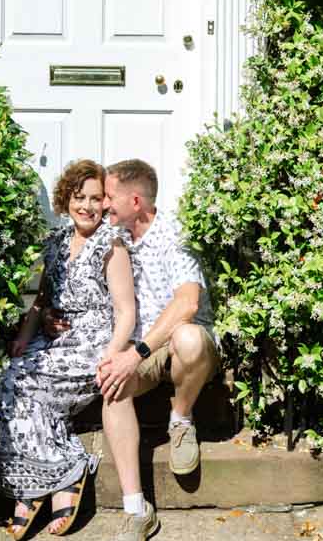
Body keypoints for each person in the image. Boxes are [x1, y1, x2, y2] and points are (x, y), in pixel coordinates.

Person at [0, 159, 136, 539]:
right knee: (6, 380)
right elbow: (40, 302)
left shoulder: (111, 243)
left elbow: (126, 312)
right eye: (79, 197)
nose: (87, 206)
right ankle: (41, 484)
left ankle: (48, 485)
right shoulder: (55, 242)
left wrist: (113, 354)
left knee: (27, 386)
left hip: (92, 343)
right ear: (65, 199)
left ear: (106, 202)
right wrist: (25, 334)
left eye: (95, 198)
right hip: (55, 339)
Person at [94, 159, 220, 541]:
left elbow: (187, 305)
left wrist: (137, 353)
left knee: (188, 337)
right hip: (144, 348)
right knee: (112, 386)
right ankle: (137, 510)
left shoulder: (173, 235)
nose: (102, 206)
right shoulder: (115, 236)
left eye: (110, 197)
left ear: (135, 200)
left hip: (181, 348)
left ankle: (181, 420)